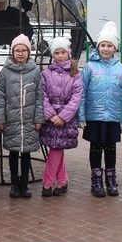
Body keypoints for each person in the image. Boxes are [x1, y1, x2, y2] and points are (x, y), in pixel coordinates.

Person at [78, 21, 122, 197]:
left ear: (115, 48)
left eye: (109, 45)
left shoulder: (121, 69)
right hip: (95, 116)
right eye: (103, 45)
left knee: (110, 148)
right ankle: (96, 180)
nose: (106, 49)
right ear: (98, 46)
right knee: (95, 147)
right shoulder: (89, 67)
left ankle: (111, 179)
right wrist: (81, 115)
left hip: (113, 116)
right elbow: (82, 93)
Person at [0, 34, 43, 198]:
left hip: (29, 118)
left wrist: (38, 118)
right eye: (17, 50)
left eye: (24, 50)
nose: (21, 53)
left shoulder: (35, 71)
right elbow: (0, 96)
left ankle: (25, 183)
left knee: (26, 153)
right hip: (12, 118)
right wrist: (0, 119)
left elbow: (39, 96)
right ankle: (14, 183)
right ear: (12, 52)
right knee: (14, 152)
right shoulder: (6, 72)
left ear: (29, 52)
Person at [40, 37, 82, 197]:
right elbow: (42, 95)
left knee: (56, 148)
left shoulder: (75, 74)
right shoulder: (46, 74)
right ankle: (63, 180)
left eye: (62, 52)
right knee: (57, 148)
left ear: (68, 53)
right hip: (51, 118)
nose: (59, 55)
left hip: (66, 119)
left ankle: (47, 182)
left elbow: (76, 96)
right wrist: (51, 114)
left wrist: (63, 116)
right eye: (56, 52)